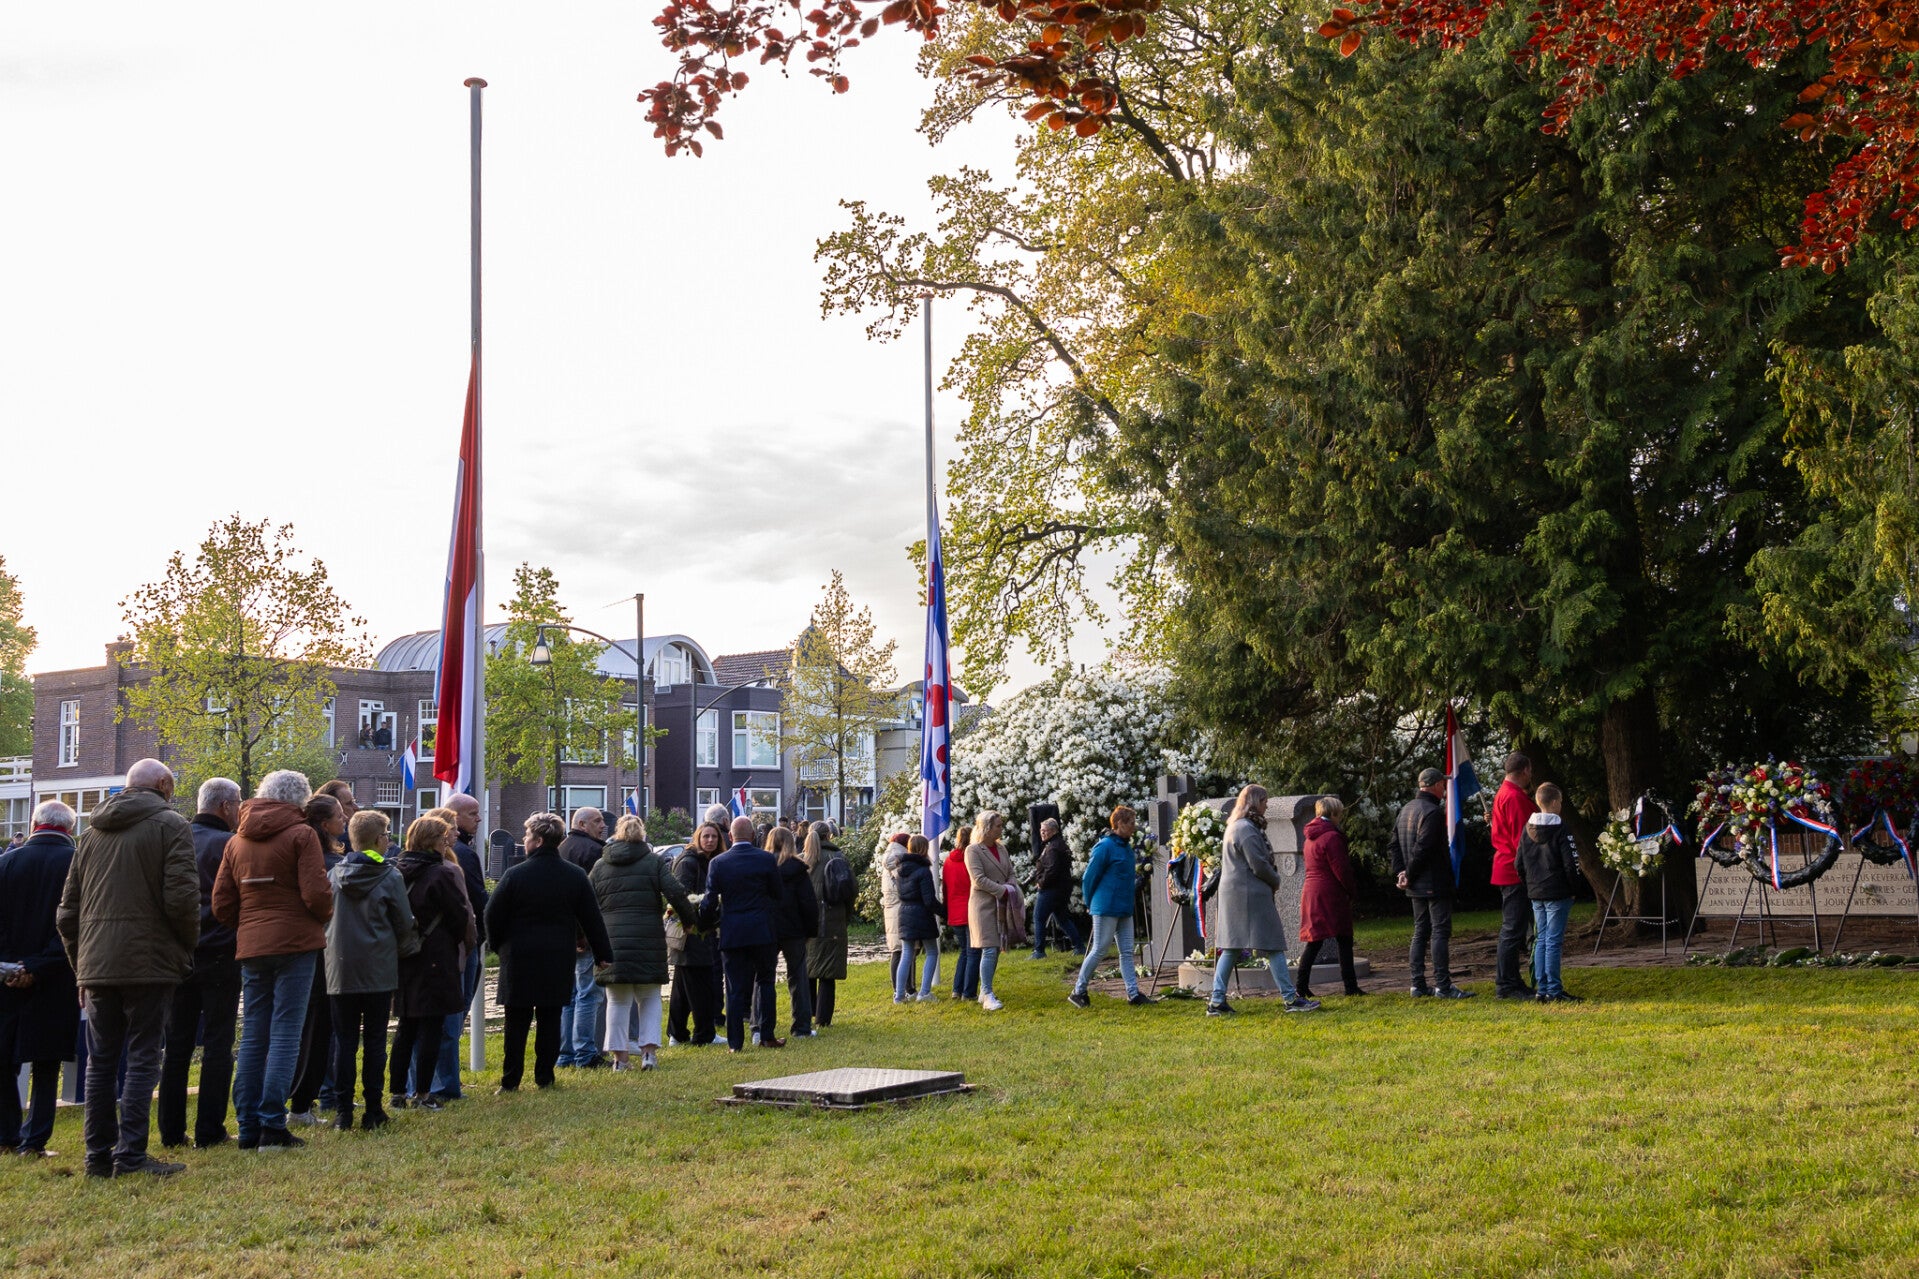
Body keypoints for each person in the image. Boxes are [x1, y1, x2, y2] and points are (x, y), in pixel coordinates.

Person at [56, 758, 199, 1178]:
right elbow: (182, 901)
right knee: (142, 1057)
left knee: (101, 1062)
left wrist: (80, 967)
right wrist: (185, 948)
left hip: (97, 963)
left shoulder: (90, 834)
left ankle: (97, 1156)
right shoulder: (172, 826)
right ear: (163, 785)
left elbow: (67, 913)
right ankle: (131, 1155)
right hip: (150, 962)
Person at [214, 768, 334, 1151]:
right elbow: (317, 894)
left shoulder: (237, 840)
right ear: (300, 799)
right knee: (285, 1033)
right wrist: (316, 918)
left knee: (253, 1034)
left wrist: (250, 923)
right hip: (295, 943)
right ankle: (271, 1123)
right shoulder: (302, 835)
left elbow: (221, 903)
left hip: (252, 945)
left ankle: (248, 1127)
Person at [485, 812, 612, 1091]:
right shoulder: (575, 876)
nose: (524, 840)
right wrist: (603, 954)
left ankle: (511, 1080)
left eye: (527, 836)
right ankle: (544, 1076)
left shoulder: (514, 875)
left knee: (516, 1021)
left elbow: (492, 915)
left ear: (538, 840)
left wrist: (497, 945)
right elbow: (592, 918)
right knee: (550, 1018)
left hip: (518, 957)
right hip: (557, 956)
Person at [157, 777, 244, 1151]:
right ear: (225, 807)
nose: (241, 810)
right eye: (239, 803)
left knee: (176, 1044)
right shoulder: (230, 845)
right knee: (218, 1042)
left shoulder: (174, 841)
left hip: (178, 953)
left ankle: (171, 1131)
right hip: (222, 951)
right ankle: (210, 1128)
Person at [324, 810, 419, 1131]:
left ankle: (342, 1112)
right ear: (378, 840)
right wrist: (407, 951)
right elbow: (404, 923)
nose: (390, 839)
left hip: (340, 968)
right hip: (378, 967)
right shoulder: (390, 877)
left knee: (345, 1041)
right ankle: (374, 1109)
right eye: (387, 834)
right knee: (376, 1040)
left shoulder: (334, 876)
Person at [1, 800, 81, 1159]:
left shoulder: (5, 863)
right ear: (70, 829)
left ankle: (5, 1135)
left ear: (34, 824)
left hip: (5, 976)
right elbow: (73, 925)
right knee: (47, 1061)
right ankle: (34, 1141)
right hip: (55, 975)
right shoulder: (76, 865)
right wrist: (37, 966)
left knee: (4, 1057)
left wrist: (13, 967)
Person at [590, 814, 699, 1071]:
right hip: (648, 939)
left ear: (617, 833)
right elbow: (675, 892)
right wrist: (688, 920)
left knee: (617, 1002)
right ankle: (648, 1054)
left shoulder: (600, 865)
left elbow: (587, 903)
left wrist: (584, 936)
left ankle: (619, 1059)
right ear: (643, 835)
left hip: (612, 941)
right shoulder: (653, 861)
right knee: (649, 998)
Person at [1203, 786, 1319, 1016]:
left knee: (1231, 948)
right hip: (1250, 894)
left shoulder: (1235, 826)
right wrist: (1275, 880)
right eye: (1265, 801)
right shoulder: (1247, 829)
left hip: (1235, 893)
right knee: (1273, 944)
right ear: (1256, 802)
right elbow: (1258, 864)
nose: (1267, 805)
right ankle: (1289, 998)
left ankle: (1216, 1001)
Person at [390, 815, 473, 1111]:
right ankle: (423, 1094)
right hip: (436, 956)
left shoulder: (396, 870)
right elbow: (459, 915)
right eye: (442, 839)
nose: (446, 843)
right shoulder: (440, 874)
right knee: (431, 1028)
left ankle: (397, 1092)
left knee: (405, 1028)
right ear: (430, 842)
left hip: (405, 956)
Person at [287, 792, 348, 1125]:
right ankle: (300, 1104)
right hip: (318, 951)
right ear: (325, 824)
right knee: (315, 1028)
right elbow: (321, 903)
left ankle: (300, 1102)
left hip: (302, 947)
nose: (346, 819)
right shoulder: (327, 862)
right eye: (340, 815)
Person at [1389, 768, 1472, 999]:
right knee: (1439, 932)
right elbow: (1423, 849)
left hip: (1414, 885)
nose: (1445, 789)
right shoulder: (1433, 812)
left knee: (1420, 932)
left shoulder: (1405, 809)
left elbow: (1394, 845)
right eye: (1443, 785)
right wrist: (1409, 874)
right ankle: (1443, 987)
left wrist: (1401, 873)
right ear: (1436, 785)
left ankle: (1417, 984)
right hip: (1433, 882)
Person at [704, 816, 786, 1051]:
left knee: (734, 988)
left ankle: (735, 1043)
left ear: (729, 836)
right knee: (766, 981)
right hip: (762, 930)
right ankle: (767, 1035)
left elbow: (710, 899)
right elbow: (778, 893)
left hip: (733, 932)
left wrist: (707, 922)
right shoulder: (766, 859)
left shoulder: (719, 863)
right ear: (752, 835)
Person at [429, 791, 490, 1101]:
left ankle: (431, 1082)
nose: (478, 819)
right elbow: (473, 900)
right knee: (453, 1014)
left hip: (446, 947)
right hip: (459, 947)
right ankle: (445, 1084)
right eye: (472, 814)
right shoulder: (460, 858)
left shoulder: (459, 853)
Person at [1069, 806, 1149, 1007]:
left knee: (1127, 951)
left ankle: (1133, 994)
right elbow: (1089, 877)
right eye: (1131, 822)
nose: (1134, 826)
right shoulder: (1105, 846)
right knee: (1099, 949)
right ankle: (1078, 990)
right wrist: (1089, 902)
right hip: (1106, 906)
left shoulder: (1126, 847)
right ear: (1119, 824)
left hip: (1123, 906)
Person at [1516, 783, 1583, 1003]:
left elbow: (1519, 864)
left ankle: (1542, 988)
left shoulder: (1527, 829)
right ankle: (1554, 990)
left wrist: (1530, 884)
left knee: (1541, 939)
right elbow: (1571, 864)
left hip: (1536, 892)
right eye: (1561, 801)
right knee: (1553, 941)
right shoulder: (1561, 829)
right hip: (1558, 891)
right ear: (1554, 802)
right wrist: (1574, 889)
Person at [1294, 796, 1365, 999]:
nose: (1340, 818)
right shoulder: (1332, 837)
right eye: (1339, 814)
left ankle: (1301, 985)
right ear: (1333, 814)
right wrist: (1351, 890)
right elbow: (1341, 868)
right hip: (1330, 891)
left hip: (1312, 889)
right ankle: (1350, 986)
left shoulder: (1310, 836)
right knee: (1344, 938)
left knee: (1314, 941)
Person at [557, 807, 609, 1069]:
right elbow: (592, 899)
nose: (603, 825)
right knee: (590, 994)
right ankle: (585, 1053)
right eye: (597, 821)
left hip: (564, 933)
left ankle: (565, 1054)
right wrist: (586, 935)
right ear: (581, 823)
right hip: (585, 935)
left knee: (569, 996)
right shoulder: (594, 852)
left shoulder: (562, 847)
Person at [666, 821, 724, 1047]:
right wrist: (696, 922)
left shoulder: (710, 862)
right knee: (701, 984)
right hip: (691, 931)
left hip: (702, 928)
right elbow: (681, 896)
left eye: (714, 837)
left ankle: (677, 1033)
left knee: (682, 986)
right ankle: (704, 1034)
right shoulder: (688, 862)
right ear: (697, 838)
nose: (710, 840)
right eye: (706, 836)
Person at [1489, 753, 1539, 1000]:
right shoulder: (1515, 797)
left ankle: (1510, 981)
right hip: (1514, 870)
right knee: (1513, 929)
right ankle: (1506, 984)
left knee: (1514, 929)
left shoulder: (1504, 793)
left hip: (1508, 867)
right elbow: (1524, 840)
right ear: (1526, 770)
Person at [764, 826, 820, 1035]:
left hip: (767, 928)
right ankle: (802, 1026)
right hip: (794, 928)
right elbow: (808, 902)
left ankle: (760, 1026)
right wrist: (810, 931)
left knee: (763, 978)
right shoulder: (798, 869)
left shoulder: (763, 866)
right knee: (798, 977)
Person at [965, 811, 1018, 1011]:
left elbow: (1011, 872)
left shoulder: (1001, 849)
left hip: (1001, 904)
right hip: (983, 906)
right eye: (998, 825)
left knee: (995, 948)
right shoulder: (973, 850)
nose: (1001, 829)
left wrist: (1011, 886)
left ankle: (984, 991)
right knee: (989, 947)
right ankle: (987, 993)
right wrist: (1002, 890)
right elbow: (977, 878)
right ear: (986, 828)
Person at [803, 823, 854, 1029]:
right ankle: (823, 1019)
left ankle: (807, 1012)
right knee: (827, 972)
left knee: (807, 970)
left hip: (806, 922)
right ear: (829, 835)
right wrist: (845, 915)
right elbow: (851, 890)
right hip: (833, 920)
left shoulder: (802, 860)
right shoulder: (838, 858)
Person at [893, 835, 942, 1003]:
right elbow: (929, 900)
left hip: (904, 912)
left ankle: (899, 995)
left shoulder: (900, 870)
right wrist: (945, 912)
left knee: (906, 953)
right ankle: (924, 992)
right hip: (921, 913)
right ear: (924, 849)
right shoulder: (923, 871)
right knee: (932, 952)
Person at [1030, 818, 1084, 959]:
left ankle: (1039, 951)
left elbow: (1052, 869)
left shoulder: (1052, 847)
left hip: (1051, 889)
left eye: (1045, 830)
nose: (1042, 833)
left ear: (1053, 831)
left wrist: (1041, 882)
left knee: (1039, 917)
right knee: (1062, 919)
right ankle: (1079, 946)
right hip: (1062, 888)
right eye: (1041, 830)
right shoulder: (1059, 844)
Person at [943, 825, 978, 1000]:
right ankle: (968, 992)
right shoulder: (971, 858)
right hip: (971, 909)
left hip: (955, 910)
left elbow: (945, 888)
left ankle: (957, 989)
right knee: (973, 952)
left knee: (964, 951)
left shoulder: (949, 861)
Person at [878, 831, 910, 992]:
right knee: (901, 951)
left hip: (892, 908)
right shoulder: (899, 860)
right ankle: (902, 988)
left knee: (900, 950)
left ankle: (904, 987)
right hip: (900, 907)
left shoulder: (890, 858)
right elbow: (904, 884)